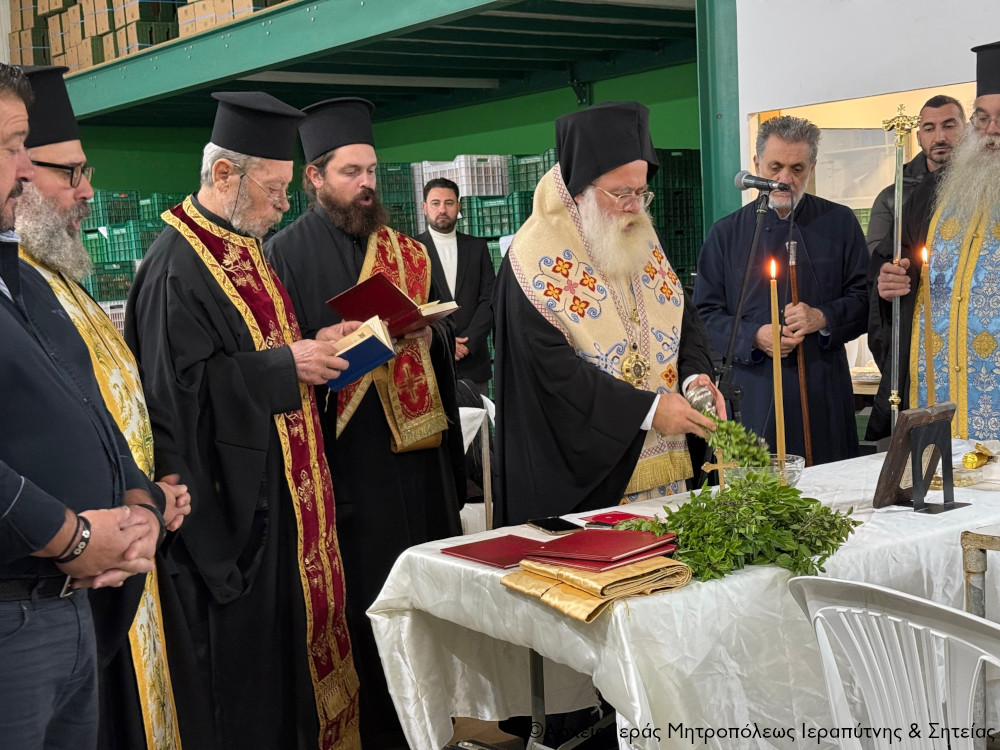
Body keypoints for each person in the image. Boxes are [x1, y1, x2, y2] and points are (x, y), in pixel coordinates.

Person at [126, 92, 361, 750]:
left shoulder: (244, 245)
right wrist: (286, 366)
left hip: (288, 509)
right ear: (225, 175)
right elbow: (179, 398)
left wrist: (317, 348)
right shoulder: (178, 264)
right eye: (276, 187)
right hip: (239, 522)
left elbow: (256, 354)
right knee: (252, 696)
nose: (286, 204)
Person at [265, 96, 463, 748]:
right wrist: (355, 342)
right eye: (350, 172)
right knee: (368, 613)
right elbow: (288, 366)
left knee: (428, 606)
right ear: (313, 178)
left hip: (418, 460)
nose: (366, 184)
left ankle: (436, 725)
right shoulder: (283, 258)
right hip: (349, 471)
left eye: (372, 170)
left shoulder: (405, 249)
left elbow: (437, 346)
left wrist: (422, 335)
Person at [15, 64, 189, 750]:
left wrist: (151, 492)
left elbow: (108, 413)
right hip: (59, 574)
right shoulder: (21, 288)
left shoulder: (61, 276)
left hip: (125, 547)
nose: (87, 191)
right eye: (71, 175)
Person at [493, 100, 721, 529]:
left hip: (670, 472)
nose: (635, 205)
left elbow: (683, 321)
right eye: (622, 193)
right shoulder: (531, 261)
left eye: (641, 191)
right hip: (589, 482)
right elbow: (551, 377)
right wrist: (648, 411)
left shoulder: (639, 234)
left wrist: (695, 378)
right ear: (580, 189)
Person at [694, 115, 869, 464]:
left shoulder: (840, 222)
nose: (784, 180)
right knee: (759, 499)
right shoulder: (726, 234)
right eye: (775, 167)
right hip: (752, 389)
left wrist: (822, 316)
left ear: (813, 167)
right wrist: (754, 336)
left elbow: (866, 301)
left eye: (797, 169)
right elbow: (704, 316)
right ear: (756, 163)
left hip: (822, 387)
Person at [872, 41, 1000, 440]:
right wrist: (888, 286)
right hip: (939, 403)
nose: (992, 131)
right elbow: (903, 287)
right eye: (982, 118)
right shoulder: (929, 197)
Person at [416, 176, 496, 394]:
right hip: (432, 360)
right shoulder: (412, 250)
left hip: (473, 359)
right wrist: (444, 343)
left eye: (449, 203)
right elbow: (412, 306)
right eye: (435, 203)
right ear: (424, 208)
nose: (442, 209)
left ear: (458, 206)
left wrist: (467, 344)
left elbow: (489, 300)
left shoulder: (477, 247)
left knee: (479, 426)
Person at [865, 95, 964, 258]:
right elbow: (879, 259)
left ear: (966, 130)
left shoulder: (986, 186)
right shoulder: (891, 199)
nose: (939, 137)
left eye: (949, 126)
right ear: (919, 138)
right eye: (929, 129)